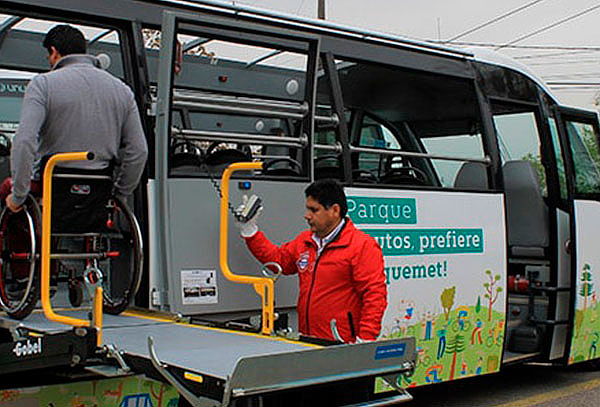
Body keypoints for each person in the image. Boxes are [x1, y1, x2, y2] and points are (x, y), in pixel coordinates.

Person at [2, 24, 147, 212]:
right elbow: (139, 150)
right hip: (99, 188)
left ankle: (16, 240)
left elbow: (24, 141)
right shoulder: (122, 90)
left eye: (48, 56)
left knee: (7, 188)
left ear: (54, 52)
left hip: (52, 185)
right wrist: (119, 194)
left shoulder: (43, 84)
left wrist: (18, 196)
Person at [237, 179, 387, 343]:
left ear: (335, 210)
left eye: (314, 210)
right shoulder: (305, 241)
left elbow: (374, 295)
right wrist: (250, 231)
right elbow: (279, 261)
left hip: (341, 342)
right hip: (308, 339)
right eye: (307, 208)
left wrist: (365, 338)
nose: (306, 215)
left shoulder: (361, 245)